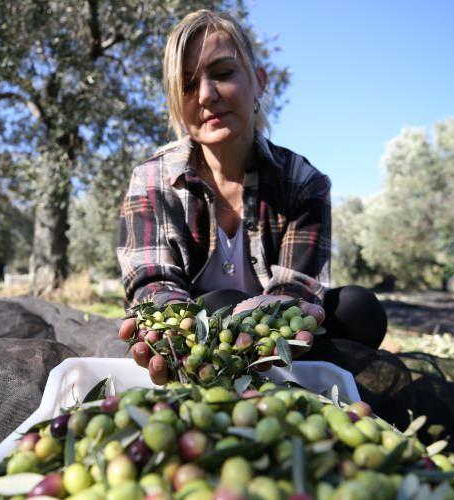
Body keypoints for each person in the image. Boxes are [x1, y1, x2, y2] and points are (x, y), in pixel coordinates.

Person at [116, 10, 386, 384]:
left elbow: (297, 284)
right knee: (220, 304)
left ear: (259, 82)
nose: (207, 95)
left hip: (269, 330)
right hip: (198, 326)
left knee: (360, 309)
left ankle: (274, 372)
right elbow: (151, 281)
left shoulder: (303, 182)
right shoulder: (151, 180)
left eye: (223, 73)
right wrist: (176, 324)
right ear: (176, 102)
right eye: (188, 84)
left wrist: (274, 314)